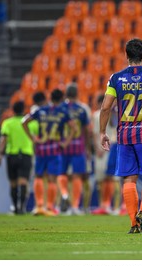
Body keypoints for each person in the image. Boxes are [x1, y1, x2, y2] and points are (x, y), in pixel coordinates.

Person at [100, 38, 142, 234]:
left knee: (129, 180)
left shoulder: (116, 78)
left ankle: (133, 224)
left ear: (126, 55)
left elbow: (106, 107)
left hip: (125, 136)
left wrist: (102, 133)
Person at [22, 89, 75, 216]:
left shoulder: (40, 111)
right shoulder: (63, 112)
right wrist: (66, 142)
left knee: (38, 176)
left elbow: (24, 122)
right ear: (62, 99)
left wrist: (32, 138)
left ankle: (39, 206)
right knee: (52, 179)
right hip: (55, 149)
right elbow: (74, 127)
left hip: (41, 149)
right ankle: (50, 207)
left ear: (50, 98)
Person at [0, 101, 37, 214]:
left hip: (12, 155)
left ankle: (14, 207)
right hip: (26, 154)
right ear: (23, 109)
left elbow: (3, 139)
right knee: (24, 182)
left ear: (12, 110)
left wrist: (0, 154)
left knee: (13, 183)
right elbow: (36, 136)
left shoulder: (7, 123)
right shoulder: (31, 123)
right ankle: (22, 207)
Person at [58, 83, 92, 215]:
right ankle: (74, 206)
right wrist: (88, 148)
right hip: (78, 146)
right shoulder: (82, 109)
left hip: (62, 146)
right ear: (77, 94)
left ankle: (65, 195)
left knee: (61, 174)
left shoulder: (60, 108)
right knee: (77, 175)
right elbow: (86, 131)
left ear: (66, 94)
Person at [92, 95, 120, 215]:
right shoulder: (97, 115)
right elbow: (94, 134)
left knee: (111, 179)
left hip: (110, 148)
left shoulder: (113, 112)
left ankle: (112, 206)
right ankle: (106, 205)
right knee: (105, 179)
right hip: (105, 150)